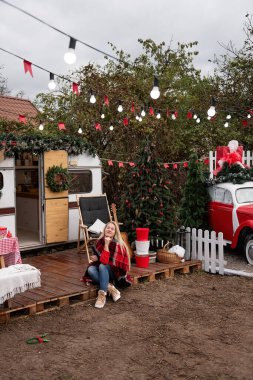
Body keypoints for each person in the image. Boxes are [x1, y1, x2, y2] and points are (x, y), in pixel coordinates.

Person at [86, 221, 131, 309]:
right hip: (103, 271)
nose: (109, 230)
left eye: (112, 229)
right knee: (91, 269)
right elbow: (103, 260)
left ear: (115, 232)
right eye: (108, 228)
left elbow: (104, 262)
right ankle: (110, 288)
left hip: (115, 273)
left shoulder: (118, 244)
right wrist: (96, 258)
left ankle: (102, 295)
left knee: (102, 266)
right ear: (104, 229)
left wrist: (106, 245)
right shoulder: (99, 242)